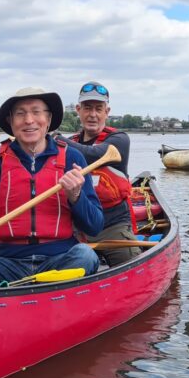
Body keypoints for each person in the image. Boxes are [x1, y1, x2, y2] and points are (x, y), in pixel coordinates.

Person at [0, 87, 103, 287]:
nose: (29, 120)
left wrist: (76, 195)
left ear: (48, 119)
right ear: (11, 121)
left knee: (86, 256)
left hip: (59, 260)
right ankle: (2, 288)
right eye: (21, 113)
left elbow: (95, 226)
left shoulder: (73, 158)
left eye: (36, 112)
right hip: (8, 263)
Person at [54, 81, 139, 266]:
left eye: (98, 109)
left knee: (130, 263)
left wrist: (56, 140)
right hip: (77, 227)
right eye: (87, 108)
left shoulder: (119, 140)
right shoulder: (68, 143)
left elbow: (93, 155)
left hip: (112, 226)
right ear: (78, 110)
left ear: (107, 112)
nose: (93, 114)